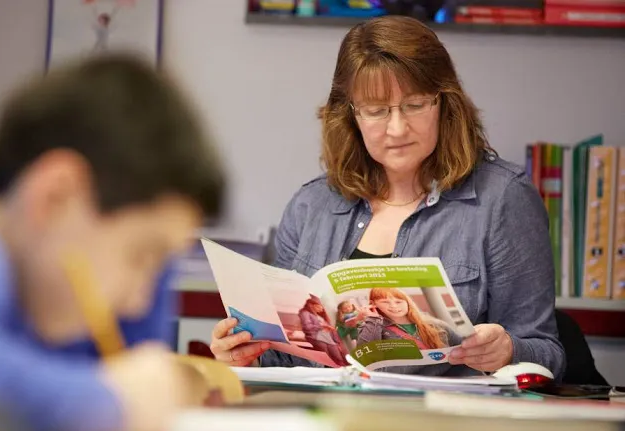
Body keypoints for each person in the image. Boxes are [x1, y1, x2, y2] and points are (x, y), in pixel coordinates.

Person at [210, 15, 565, 380]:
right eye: (377, 111)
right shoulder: (311, 206)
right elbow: (284, 358)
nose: (397, 128)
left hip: (445, 427)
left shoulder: (502, 199)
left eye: (414, 105)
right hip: (324, 421)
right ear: (350, 116)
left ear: (444, 103)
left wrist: (507, 349)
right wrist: (244, 353)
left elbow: (547, 352)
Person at [0, 53, 225, 431]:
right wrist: (114, 401)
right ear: (55, 197)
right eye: (141, 256)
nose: (138, 300)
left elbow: (141, 364)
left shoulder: (53, 296)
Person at [356, 288, 462, 350]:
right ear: (373, 305)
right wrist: (373, 319)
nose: (393, 306)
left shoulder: (436, 325)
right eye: (385, 302)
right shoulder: (370, 327)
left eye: (398, 302)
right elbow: (368, 356)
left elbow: (462, 349)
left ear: (407, 303)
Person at [298, 297, 349, 366]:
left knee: (339, 358)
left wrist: (332, 332)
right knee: (329, 358)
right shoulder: (304, 313)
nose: (322, 308)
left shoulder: (318, 315)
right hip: (317, 338)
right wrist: (322, 327)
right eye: (320, 306)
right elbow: (307, 327)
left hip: (329, 338)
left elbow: (328, 328)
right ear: (312, 305)